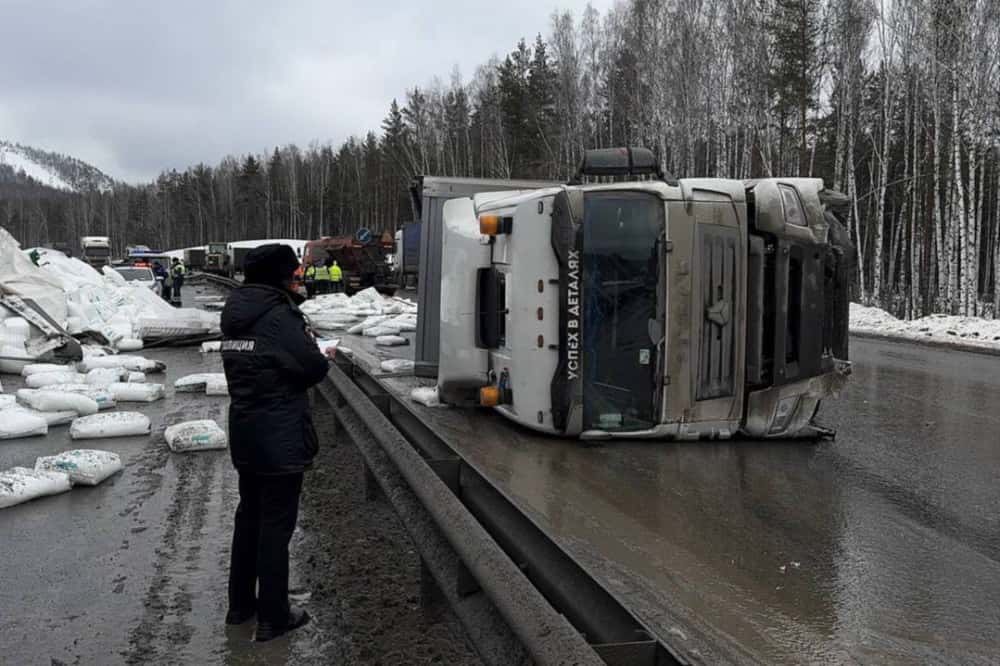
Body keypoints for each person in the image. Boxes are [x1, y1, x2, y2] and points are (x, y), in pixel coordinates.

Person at [220, 243, 336, 642]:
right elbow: (311, 367)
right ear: (279, 276)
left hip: (246, 430)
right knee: (275, 526)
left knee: (248, 517)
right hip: (280, 434)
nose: (296, 278)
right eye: (292, 273)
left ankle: (240, 606)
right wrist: (319, 351)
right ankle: (274, 615)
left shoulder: (236, 314)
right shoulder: (278, 316)